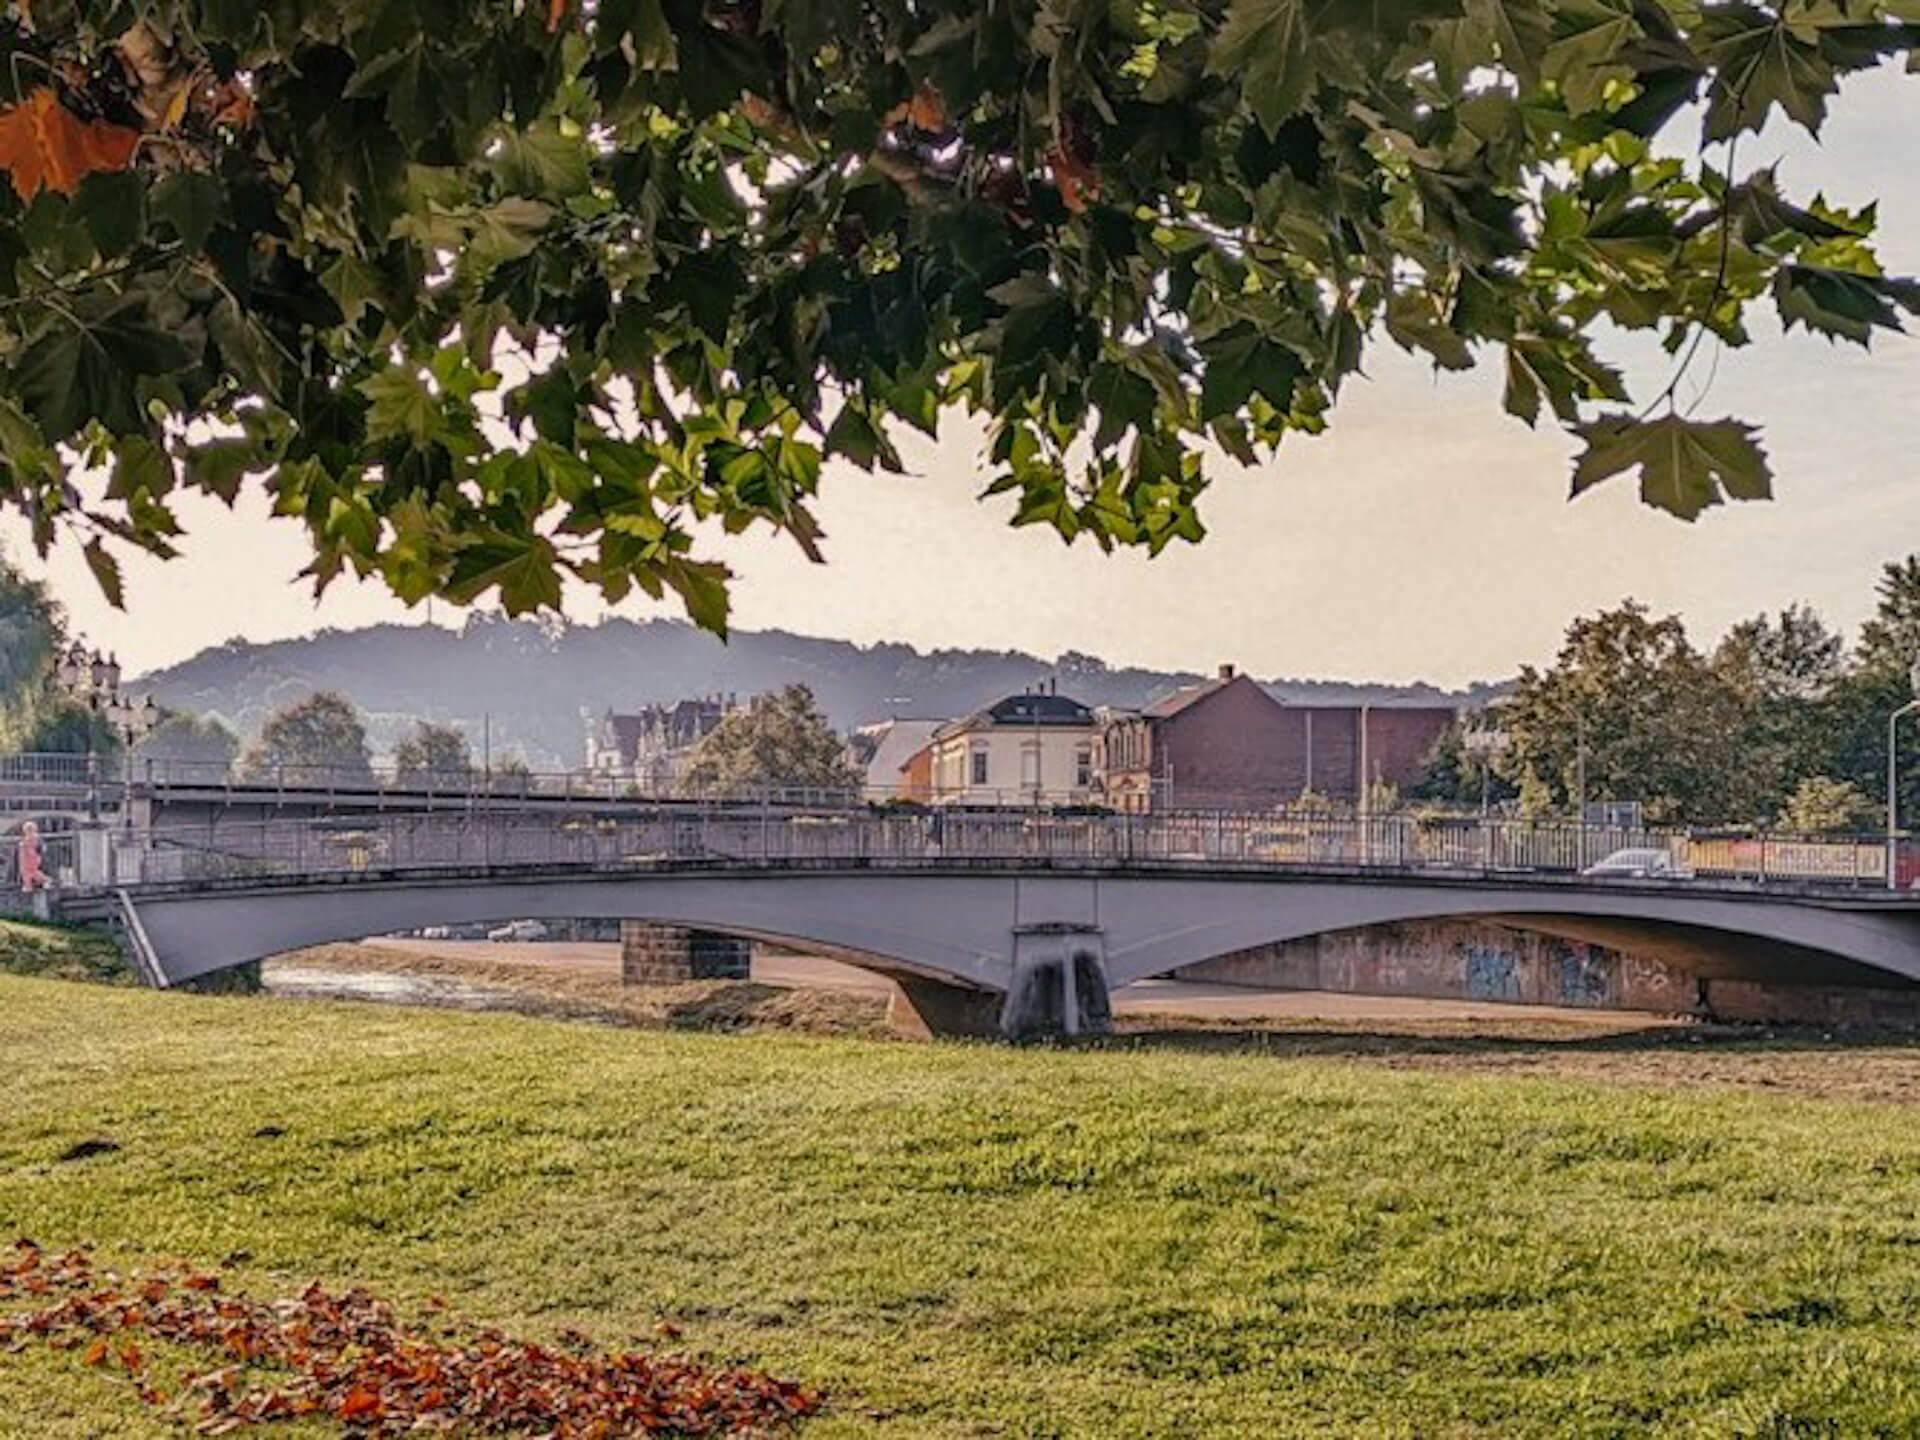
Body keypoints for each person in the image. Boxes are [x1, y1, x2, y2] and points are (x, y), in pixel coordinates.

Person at [17, 820, 47, 893]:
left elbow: (41, 849)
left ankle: (30, 886)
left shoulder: (34, 840)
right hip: (29, 860)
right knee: (28, 873)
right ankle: (29, 886)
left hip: (32, 860)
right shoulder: (26, 841)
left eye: (31, 829)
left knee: (31, 873)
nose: (30, 832)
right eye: (28, 830)